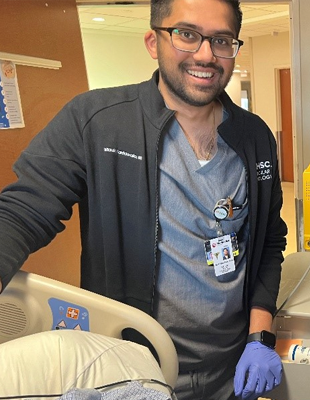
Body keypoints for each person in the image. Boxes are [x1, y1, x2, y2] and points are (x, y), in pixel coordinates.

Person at [0, 0, 287, 399]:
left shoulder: (254, 137)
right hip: (133, 367)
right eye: (187, 34)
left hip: (231, 364)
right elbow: (24, 209)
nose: (206, 54)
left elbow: (269, 242)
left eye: (221, 40)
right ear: (154, 41)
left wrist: (260, 337)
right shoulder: (98, 121)